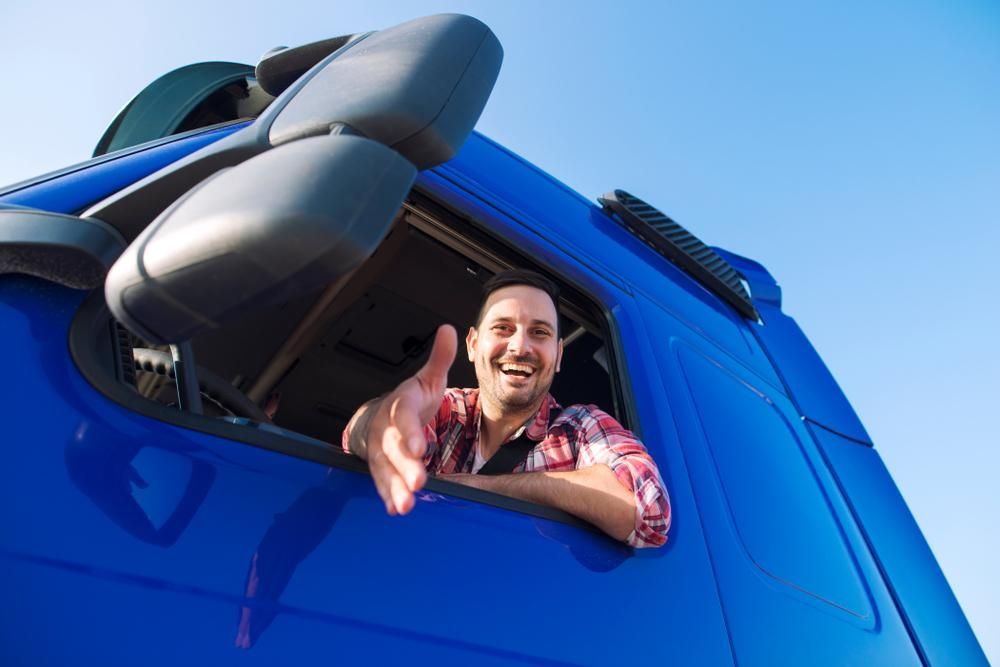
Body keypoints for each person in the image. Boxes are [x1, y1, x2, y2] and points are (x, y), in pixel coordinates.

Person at [342, 270, 670, 548]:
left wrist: (483, 488)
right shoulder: (448, 409)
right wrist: (381, 421)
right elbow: (360, 434)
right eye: (503, 328)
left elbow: (649, 511)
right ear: (473, 345)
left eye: (539, 332)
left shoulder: (581, 429)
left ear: (558, 356)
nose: (519, 346)